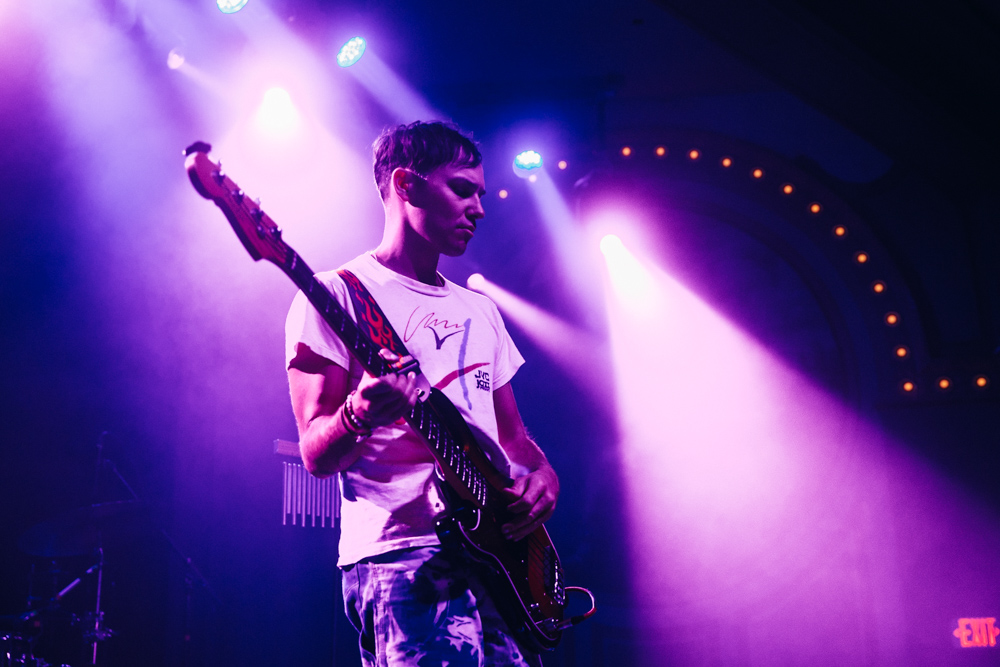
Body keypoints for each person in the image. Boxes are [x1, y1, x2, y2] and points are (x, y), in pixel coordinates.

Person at [284, 121, 560, 666]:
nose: (479, 209)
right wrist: (359, 414)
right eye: (462, 189)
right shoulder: (336, 294)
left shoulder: (481, 309)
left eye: (481, 194)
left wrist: (543, 475)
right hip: (403, 555)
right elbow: (315, 454)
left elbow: (512, 441)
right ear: (406, 184)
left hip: (497, 558)